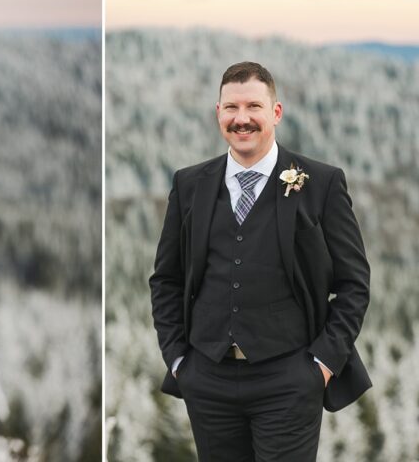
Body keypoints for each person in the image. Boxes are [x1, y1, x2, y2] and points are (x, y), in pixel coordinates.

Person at [148, 61, 372, 461]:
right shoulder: (189, 184)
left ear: (276, 112)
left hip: (289, 379)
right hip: (207, 380)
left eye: (254, 106)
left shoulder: (321, 183)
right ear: (218, 113)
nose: (242, 118)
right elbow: (166, 279)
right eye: (231, 108)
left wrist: (321, 364)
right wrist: (180, 360)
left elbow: (354, 284)